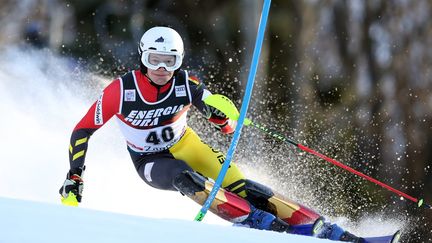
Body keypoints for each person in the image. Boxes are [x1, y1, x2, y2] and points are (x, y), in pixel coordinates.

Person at [59, 26, 362, 242]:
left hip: (187, 144)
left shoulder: (186, 85)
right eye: (154, 60)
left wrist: (224, 116)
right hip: (150, 161)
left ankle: (324, 228)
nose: (162, 69)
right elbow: (82, 131)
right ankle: (259, 224)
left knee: (244, 187)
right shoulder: (121, 91)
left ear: (178, 61)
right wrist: (75, 176)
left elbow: (225, 126)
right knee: (185, 177)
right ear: (142, 58)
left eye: (170, 61)